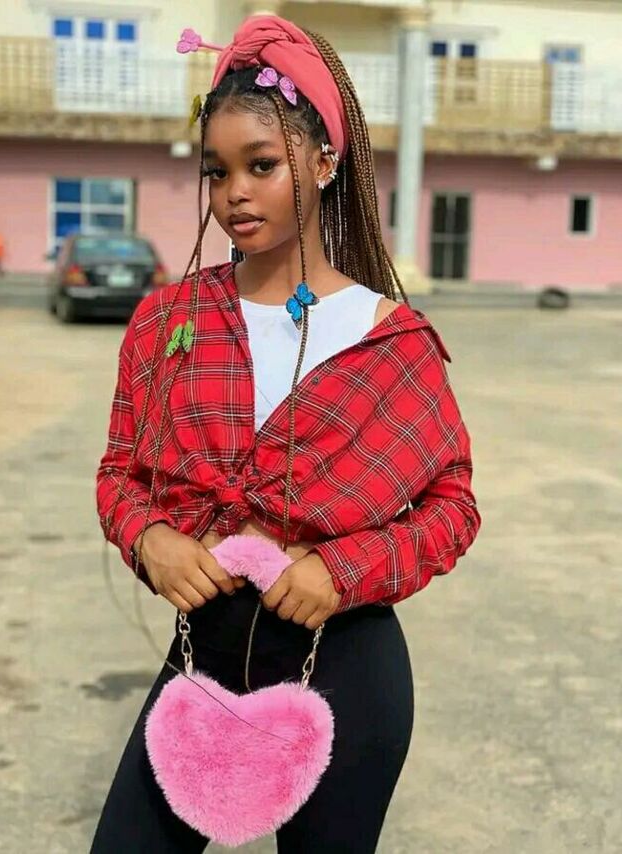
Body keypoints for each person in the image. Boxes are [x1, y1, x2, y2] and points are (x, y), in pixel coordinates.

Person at [91, 14, 481, 853]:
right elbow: (119, 472)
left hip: (347, 668)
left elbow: (452, 509)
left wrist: (343, 569)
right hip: (201, 658)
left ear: (324, 163)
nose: (235, 191)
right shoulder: (168, 320)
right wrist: (150, 538)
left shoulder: (392, 341)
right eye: (217, 171)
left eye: (261, 165)